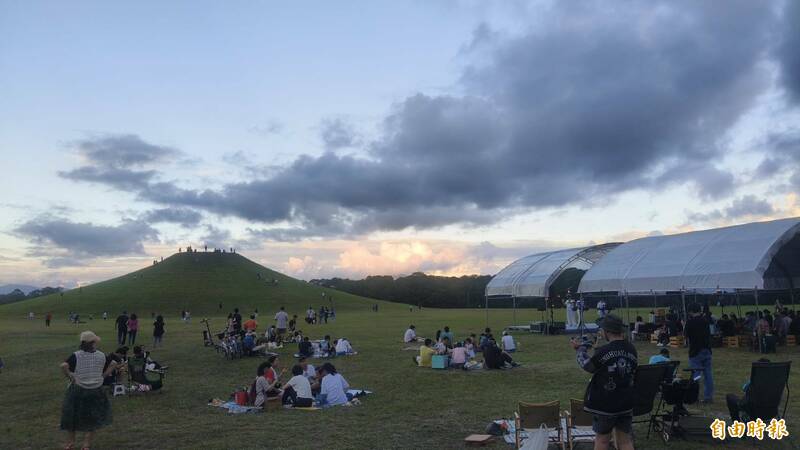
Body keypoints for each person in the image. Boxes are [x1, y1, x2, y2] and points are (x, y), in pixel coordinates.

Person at [571, 315, 637, 450]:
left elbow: (588, 366)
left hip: (605, 404)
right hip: (626, 402)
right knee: (625, 440)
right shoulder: (631, 349)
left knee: (602, 440)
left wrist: (580, 350)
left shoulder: (604, 351)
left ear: (607, 331)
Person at [60, 331, 116, 450]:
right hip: (96, 389)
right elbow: (113, 364)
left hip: (78, 389)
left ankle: (70, 443)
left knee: (72, 416)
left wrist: (70, 376)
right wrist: (103, 376)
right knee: (93, 418)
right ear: (93, 343)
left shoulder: (76, 355)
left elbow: (64, 366)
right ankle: (86, 445)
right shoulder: (101, 355)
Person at [685, 303, 714, 403]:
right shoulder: (705, 320)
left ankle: (695, 396)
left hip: (695, 351)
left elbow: (686, 335)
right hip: (706, 349)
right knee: (708, 374)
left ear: (691, 311)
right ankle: (708, 397)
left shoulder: (690, 322)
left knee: (696, 375)